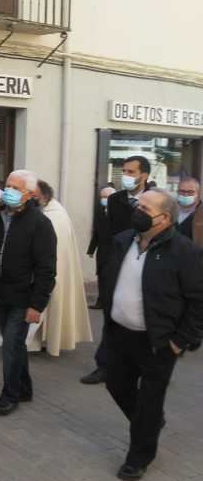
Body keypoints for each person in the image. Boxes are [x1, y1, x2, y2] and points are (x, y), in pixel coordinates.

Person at [102, 188, 203, 481]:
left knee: (149, 400)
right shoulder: (123, 240)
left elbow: (198, 301)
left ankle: (139, 456)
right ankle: (149, 424)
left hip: (159, 341)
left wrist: (180, 340)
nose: (137, 211)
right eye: (138, 205)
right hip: (120, 333)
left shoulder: (185, 252)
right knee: (116, 385)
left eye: (145, 209)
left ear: (164, 219)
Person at [0, 170, 56, 415]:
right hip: (1, 291)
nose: (9, 191)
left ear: (28, 194)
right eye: (8, 186)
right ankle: (24, 388)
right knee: (15, 344)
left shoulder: (39, 223)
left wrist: (37, 305)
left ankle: (10, 395)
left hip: (23, 295)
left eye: (16, 188)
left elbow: (47, 268)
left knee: (10, 346)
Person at [81, 155, 151, 385]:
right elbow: (108, 235)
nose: (126, 177)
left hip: (147, 266)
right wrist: (107, 266)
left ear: (144, 175)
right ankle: (104, 366)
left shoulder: (155, 200)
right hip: (118, 265)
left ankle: (147, 367)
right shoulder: (115, 200)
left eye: (131, 172)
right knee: (112, 315)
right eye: (124, 171)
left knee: (145, 318)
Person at [27, 181, 92, 356]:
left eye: (33, 196)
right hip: (35, 271)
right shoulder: (40, 211)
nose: (30, 199)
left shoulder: (56, 216)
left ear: (44, 197)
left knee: (48, 305)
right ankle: (33, 341)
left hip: (50, 272)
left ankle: (44, 341)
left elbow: (54, 251)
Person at [87, 186, 116, 309]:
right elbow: (97, 233)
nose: (103, 199)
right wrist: (91, 249)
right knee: (101, 276)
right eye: (102, 197)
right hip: (102, 251)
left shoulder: (119, 214)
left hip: (114, 252)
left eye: (106, 197)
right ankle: (101, 301)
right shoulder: (100, 212)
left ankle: (111, 302)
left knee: (112, 278)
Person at [175, 177, 203, 246]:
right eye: (182, 191)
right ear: (177, 192)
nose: (185, 195)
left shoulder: (201, 213)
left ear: (198, 194)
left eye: (190, 192)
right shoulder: (169, 210)